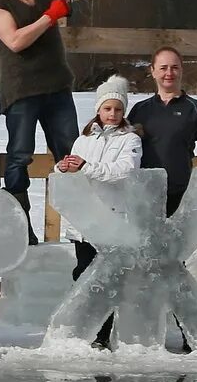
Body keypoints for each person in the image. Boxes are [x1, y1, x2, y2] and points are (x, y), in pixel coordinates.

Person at [0, 0, 99, 224]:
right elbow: (15, 41)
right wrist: (50, 16)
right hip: (21, 90)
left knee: (71, 153)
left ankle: (84, 226)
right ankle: (20, 226)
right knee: (19, 156)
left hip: (57, 86)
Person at [57, 76, 144, 291]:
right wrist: (62, 168)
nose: (112, 114)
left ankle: (109, 313)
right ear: (98, 110)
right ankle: (85, 310)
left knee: (110, 273)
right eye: (107, 108)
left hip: (113, 217)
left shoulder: (130, 139)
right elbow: (72, 176)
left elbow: (125, 171)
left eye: (118, 109)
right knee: (83, 271)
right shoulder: (83, 140)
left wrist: (86, 166)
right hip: (85, 220)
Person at [130, 47, 197, 216]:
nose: (169, 73)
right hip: (143, 193)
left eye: (174, 67)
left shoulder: (195, 108)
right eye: (163, 68)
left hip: (180, 194)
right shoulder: (140, 109)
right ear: (153, 71)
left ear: (181, 70)